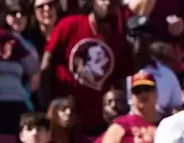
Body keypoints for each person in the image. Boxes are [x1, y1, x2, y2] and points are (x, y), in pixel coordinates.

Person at [40, 0, 133, 135]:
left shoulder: (119, 38)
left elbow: (120, 79)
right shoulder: (69, 25)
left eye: (112, 1)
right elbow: (47, 64)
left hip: (99, 123)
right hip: (65, 119)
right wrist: (45, 102)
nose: (107, 3)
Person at [98, 71, 159, 143]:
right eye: (138, 90)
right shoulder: (121, 125)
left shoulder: (166, 124)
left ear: (156, 93)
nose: (143, 94)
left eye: (147, 88)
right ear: (131, 96)